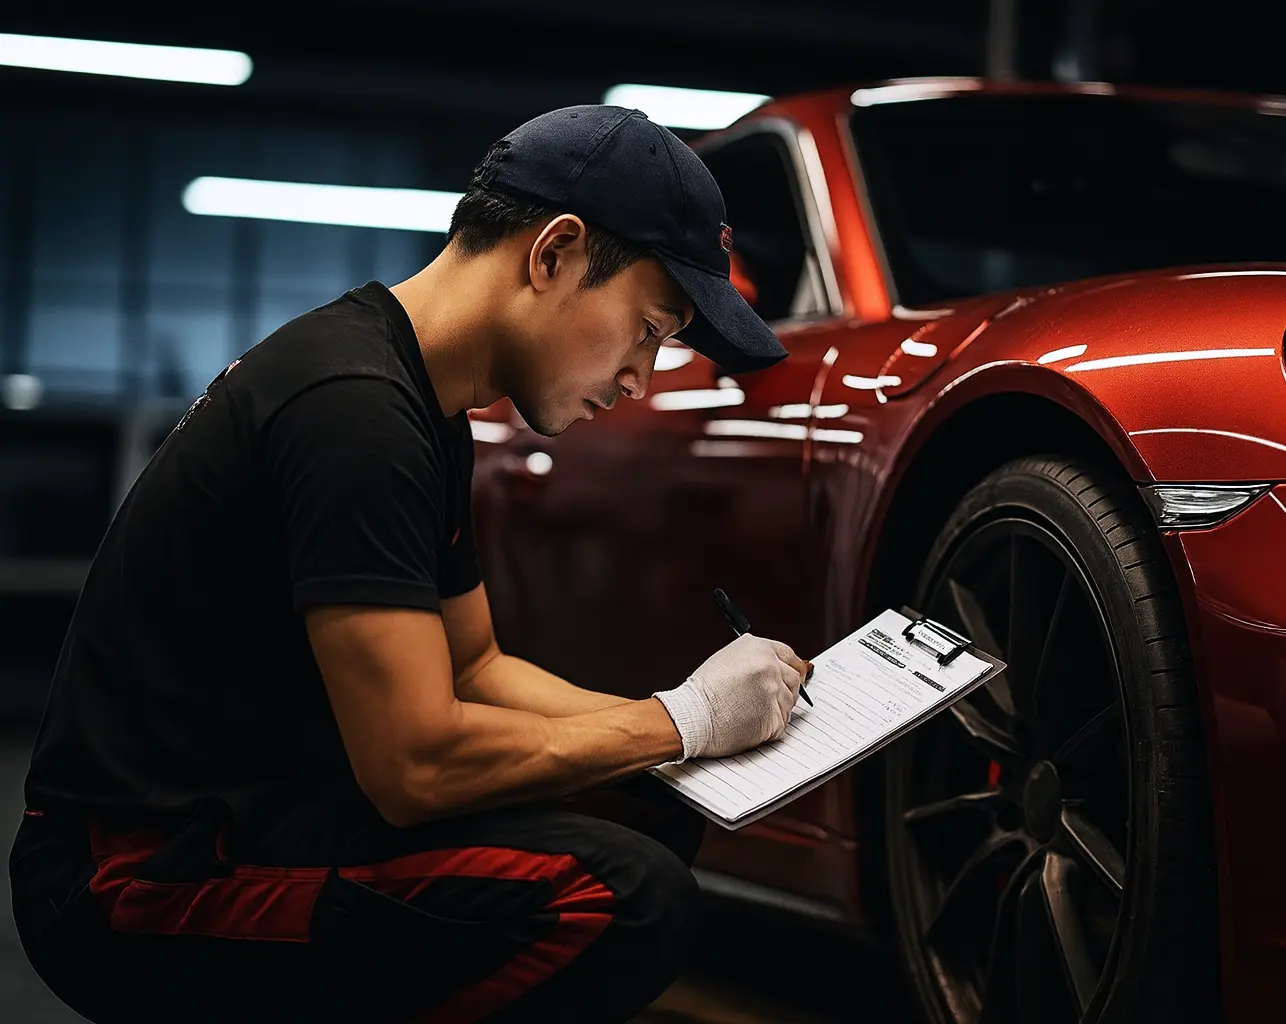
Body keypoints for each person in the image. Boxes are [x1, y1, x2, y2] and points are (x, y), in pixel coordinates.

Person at [9, 105, 811, 1023]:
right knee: (621, 895)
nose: (641, 377)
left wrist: (717, 731)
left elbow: (474, 667)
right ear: (552, 254)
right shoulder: (353, 410)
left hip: (261, 807)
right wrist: (688, 720)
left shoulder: (421, 404)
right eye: (650, 330)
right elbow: (416, 766)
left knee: (650, 805)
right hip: (138, 872)